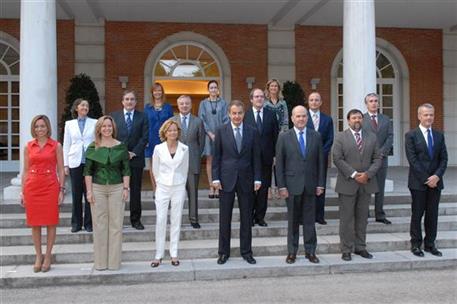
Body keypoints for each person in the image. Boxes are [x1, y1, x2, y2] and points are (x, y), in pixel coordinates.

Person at [212, 100, 261, 265]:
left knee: (246, 218)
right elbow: (216, 157)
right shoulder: (220, 131)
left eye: (240, 113)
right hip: (226, 180)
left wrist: (258, 178)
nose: (237, 116)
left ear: (243, 114)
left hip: (246, 180)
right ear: (229, 114)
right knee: (224, 218)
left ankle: (246, 252)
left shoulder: (252, 132)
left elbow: (256, 157)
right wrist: (215, 178)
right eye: (234, 113)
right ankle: (223, 252)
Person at [276, 106, 325, 264]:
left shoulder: (316, 136)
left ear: (307, 118)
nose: (301, 119)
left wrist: (320, 184)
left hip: (311, 185)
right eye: (298, 116)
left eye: (304, 116)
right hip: (291, 186)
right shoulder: (284, 137)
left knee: (310, 221)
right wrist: (281, 186)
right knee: (293, 221)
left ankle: (310, 251)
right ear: (292, 118)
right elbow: (280, 164)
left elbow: (320, 163)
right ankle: (292, 252)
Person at [333, 109, 382, 261]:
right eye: (354, 118)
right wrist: (354, 174)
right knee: (346, 219)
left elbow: (378, 158)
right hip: (348, 183)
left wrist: (367, 174)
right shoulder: (341, 137)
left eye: (359, 118)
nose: (357, 120)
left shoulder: (372, 137)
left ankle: (360, 247)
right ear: (348, 121)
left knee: (362, 218)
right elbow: (337, 158)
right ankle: (346, 249)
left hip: (366, 183)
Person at [84, 116, 130, 271]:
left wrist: (126, 188)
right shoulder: (92, 147)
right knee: (100, 225)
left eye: (109, 126)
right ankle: (100, 263)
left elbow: (126, 169)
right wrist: (89, 191)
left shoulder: (121, 147)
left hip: (117, 188)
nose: (107, 129)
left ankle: (114, 263)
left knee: (116, 225)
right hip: (98, 188)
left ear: (113, 128)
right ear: (99, 129)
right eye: (103, 126)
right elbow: (88, 172)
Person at [21, 115, 65, 272]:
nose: (40, 129)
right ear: (33, 129)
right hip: (32, 187)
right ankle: (38, 256)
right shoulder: (28, 146)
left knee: (51, 222)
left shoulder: (56, 146)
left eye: (42, 126)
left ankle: (48, 256)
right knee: (35, 223)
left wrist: (61, 189)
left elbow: (60, 169)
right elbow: (25, 170)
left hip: (50, 186)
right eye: (37, 126)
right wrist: (23, 192)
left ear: (48, 128)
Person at [405, 103, 448, 257]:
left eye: (431, 114)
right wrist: (426, 179)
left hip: (436, 183)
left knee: (432, 215)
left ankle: (430, 244)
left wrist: (436, 176)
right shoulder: (411, 135)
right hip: (418, 183)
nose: (429, 117)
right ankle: (416, 245)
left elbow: (444, 159)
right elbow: (413, 160)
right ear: (419, 116)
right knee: (417, 214)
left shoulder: (439, 135)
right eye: (426, 114)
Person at [150, 120, 189, 267]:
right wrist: (160, 184)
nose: (173, 133)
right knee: (161, 220)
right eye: (170, 130)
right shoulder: (158, 149)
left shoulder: (185, 149)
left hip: (178, 187)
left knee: (176, 220)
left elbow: (185, 169)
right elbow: (155, 169)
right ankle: (158, 255)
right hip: (163, 188)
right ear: (164, 133)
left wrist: (180, 183)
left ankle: (174, 254)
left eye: (175, 130)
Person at [111, 90, 149, 230]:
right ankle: (117, 220)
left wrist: (133, 153)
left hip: (136, 159)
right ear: (122, 101)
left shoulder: (143, 117)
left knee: (135, 191)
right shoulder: (114, 116)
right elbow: (111, 136)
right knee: (117, 191)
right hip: (118, 160)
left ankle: (135, 220)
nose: (129, 101)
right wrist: (122, 152)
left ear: (136, 102)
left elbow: (145, 137)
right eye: (127, 99)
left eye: (132, 99)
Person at [243, 88, 278, 227]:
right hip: (249, 160)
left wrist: (275, 155)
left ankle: (260, 217)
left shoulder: (271, 114)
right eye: (256, 97)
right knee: (249, 190)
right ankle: (249, 217)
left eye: (261, 96)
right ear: (251, 99)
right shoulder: (245, 115)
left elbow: (275, 136)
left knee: (263, 190)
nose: (259, 99)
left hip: (266, 159)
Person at [171, 95, 205, 229]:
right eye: (181, 104)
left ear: (191, 105)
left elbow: (201, 142)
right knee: (176, 195)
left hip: (192, 162)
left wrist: (196, 155)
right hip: (176, 164)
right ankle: (176, 220)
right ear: (178, 105)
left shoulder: (198, 121)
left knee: (193, 193)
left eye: (187, 103)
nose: (184, 106)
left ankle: (193, 219)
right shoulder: (172, 121)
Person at [63, 98, 97, 233]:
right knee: (76, 194)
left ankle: (89, 223)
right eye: (82, 105)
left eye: (87, 105)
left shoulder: (94, 123)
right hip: (75, 163)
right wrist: (66, 164)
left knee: (89, 193)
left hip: (90, 162)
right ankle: (76, 223)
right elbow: (66, 145)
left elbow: (97, 142)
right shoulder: (69, 124)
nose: (85, 107)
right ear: (76, 108)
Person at [362, 92, 393, 225]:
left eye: (376, 101)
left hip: (382, 158)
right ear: (366, 104)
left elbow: (390, 137)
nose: (374, 103)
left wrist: (381, 152)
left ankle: (379, 214)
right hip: (366, 160)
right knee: (366, 188)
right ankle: (365, 214)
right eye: (371, 101)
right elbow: (359, 137)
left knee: (380, 187)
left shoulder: (386, 119)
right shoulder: (361, 119)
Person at [306, 92, 334, 225]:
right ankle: (306, 216)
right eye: (311, 100)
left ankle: (319, 216)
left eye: (317, 100)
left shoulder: (327, 119)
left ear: (321, 102)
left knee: (320, 186)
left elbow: (330, 138)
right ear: (308, 102)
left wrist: (322, 153)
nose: (314, 102)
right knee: (306, 186)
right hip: (305, 158)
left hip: (321, 159)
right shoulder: (302, 117)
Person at [198, 80, 229, 199]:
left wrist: (219, 133)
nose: (213, 90)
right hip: (208, 136)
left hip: (221, 135)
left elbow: (226, 119)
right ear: (208, 89)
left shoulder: (223, 103)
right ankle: (211, 186)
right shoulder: (203, 103)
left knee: (220, 160)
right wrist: (210, 134)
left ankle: (218, 186)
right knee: (210, 161)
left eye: (215, 87)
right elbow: (202, 119)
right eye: (211, 88)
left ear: (218, 89)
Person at [144, 82, 173, 190]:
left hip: (165, 139)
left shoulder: (168, 107)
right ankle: (155, 189)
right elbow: (145, 124)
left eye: (159, 90)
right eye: (155, 90)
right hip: (151, 139)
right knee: (153, 166)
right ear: (152, 92)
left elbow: (171, 123)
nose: (157, 92)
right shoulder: (147, 107)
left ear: (162, 92)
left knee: (166, 165)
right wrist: (145, 139)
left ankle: (165, 188)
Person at [264, 79, 289, 199]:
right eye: (271, 86)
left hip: (281, 136)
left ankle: (280, 188)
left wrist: (283, 133)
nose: (273, 88)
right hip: (268, 138)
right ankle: (268, 189)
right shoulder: (264, 103)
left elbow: (285, 119)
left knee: (279, 163)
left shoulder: (283, 103)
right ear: (268, 88)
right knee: (269, 163)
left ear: (278, 89)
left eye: (276, 86)